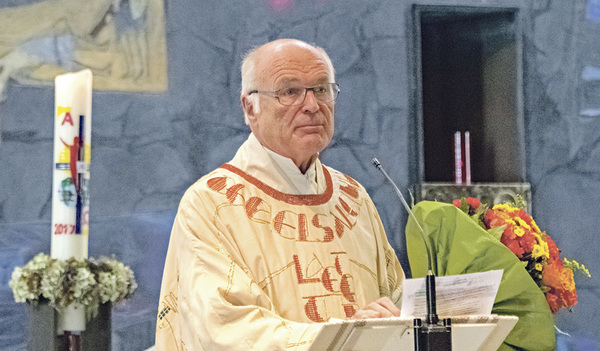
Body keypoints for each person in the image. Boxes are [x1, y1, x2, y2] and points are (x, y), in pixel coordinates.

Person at [155, 39, 405, 350]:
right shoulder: (210, 204)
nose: (312, 105)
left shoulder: (353, 198)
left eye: (322, 89)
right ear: (250, 107)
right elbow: (227, 329)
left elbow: (396, 300)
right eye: (289, 92)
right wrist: (347, 336)